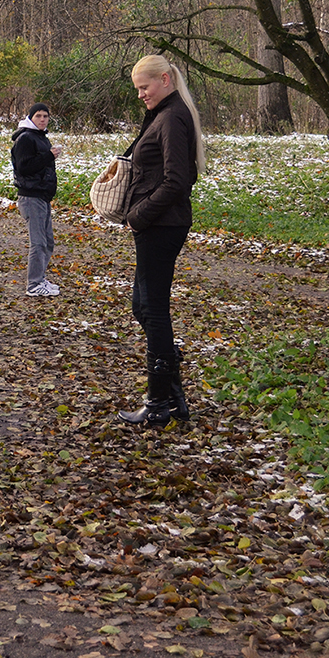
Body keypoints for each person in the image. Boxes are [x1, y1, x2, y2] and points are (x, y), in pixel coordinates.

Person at [117, 55, 206, 429]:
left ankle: (158, 404)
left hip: (161, 226)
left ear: (165, 80)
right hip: (157, 225)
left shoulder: (172, 117)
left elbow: (178, 180)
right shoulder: (165, 113)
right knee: (143, 305)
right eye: (138, 88)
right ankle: (173, 393)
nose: (141, 95)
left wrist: (138, 214)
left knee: (152, 309)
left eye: (144, 87)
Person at [10, 102, 63, 296]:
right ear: (31, 117)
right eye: (39, 116)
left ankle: (40, 279)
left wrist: (49, 156)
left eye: (45, 116)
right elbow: (23, 167)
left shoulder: (41, 138)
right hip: (30, 197)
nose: (42, 119)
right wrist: (48, 156)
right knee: (38, 242)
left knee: (48, 241)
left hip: (42, 196)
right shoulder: (25, 138)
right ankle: (33, 285)